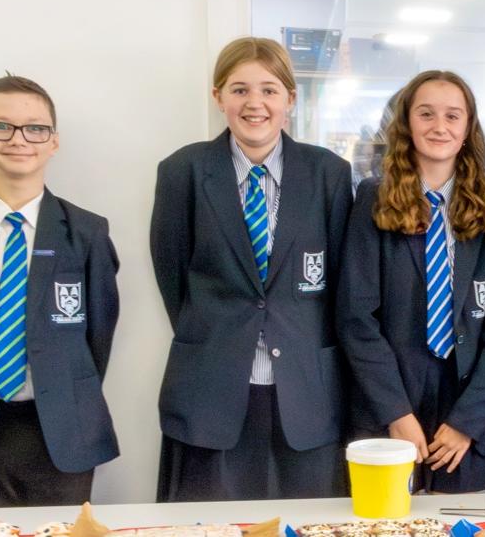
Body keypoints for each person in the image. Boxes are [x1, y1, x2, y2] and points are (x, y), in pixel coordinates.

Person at [151, 37, 353, 501]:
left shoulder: (329, 173)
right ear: (218, 96)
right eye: (239, 89)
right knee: (212, 525)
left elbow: (342, 284)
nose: (254, 103)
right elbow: (173, 277)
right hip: (211, 389)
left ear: (290, 99)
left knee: (308, 525)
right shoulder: (182, 171)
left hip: (307, 393)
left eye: (269, 90)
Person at [0, 74, 120, 507]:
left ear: (53, 141)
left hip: (64, 425)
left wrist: (65, 384)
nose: (18, 139)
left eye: (35, 128)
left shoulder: (86, 231)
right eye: (1, 126)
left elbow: (99, 334)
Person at [338, 69, 485, 493]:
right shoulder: (373, 201)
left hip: (463, 407)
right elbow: (356, 318)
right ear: (406, 123)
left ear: (468, 128)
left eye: (453, 116)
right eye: (426, 114)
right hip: (388, 401)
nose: (440, 126)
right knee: (384, 519)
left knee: (458, 520)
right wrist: (396, 413)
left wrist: (467, 422)